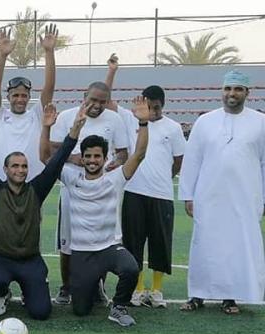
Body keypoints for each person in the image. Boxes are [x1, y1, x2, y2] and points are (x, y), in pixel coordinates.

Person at [0, 98, 85, 320]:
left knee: (41, 312)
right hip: (2, 259)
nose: (20, 170)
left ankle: (28, 289)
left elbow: (57, 161)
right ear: (5, 169)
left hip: (30, 260)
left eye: (24, 166)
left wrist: (75, 131)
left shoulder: (36, 190)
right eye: (15, 166)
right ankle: (2, 294)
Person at [59, 97, 151, 327]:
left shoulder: (115, 178)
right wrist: (71, 131)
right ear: (82, 157)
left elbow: (138, 154)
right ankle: (94, 285)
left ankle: (119, 307)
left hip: (109, 247)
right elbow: (45, 157)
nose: (92, 160)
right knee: (80, 310)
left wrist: (143, 124)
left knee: (131, 268)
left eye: (97, 156)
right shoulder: (71, 178)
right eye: (88, 156)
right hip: (82, 252)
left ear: (105, 157)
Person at [179, 70, 265, 314]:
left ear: (248, 93)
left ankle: (230, 297)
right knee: (204, 244)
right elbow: (192, 160)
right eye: (228, 89)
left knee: (236, 246)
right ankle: (197, 295)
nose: (232, 94)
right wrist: (188, 194)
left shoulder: (260, 123)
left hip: (245, 197)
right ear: (222, 91)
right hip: (208, 196)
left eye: (238, 89)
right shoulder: (205, 121)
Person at [105, 59, 185, 307]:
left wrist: (164, 178)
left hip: (161, 194)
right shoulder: (131, 120)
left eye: (157, 107)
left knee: (160, 243)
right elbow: (107, 101)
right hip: (134, 192)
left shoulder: (172, 128)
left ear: (163, 105)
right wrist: (112, 71)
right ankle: (138, 289)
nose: (152, 111)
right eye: (149, 107)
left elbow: (178, 160)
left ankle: (157, 290)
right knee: (133, 242)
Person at [48, 81, 129, 305]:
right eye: (93, 100)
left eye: (102, 102)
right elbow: (52, 150)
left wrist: (115, 164)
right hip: (72, 186)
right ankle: (66, 287)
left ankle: (98, 287)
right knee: (68, 241)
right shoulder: (67, 117)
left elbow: (123, 153)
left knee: (102, 241)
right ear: (84, 95)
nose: (97, 105)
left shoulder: (114, 119)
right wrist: (73, 158)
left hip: (103, 189)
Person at [0, 24, 58, 180]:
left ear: (28, 97)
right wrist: (2, 56)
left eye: (24, 95)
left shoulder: (37, 115)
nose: (20, 99)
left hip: (32, 184)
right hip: (2, 183)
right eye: (15, 95)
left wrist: (49, 52)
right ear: (8, 98)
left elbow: (50, 87)